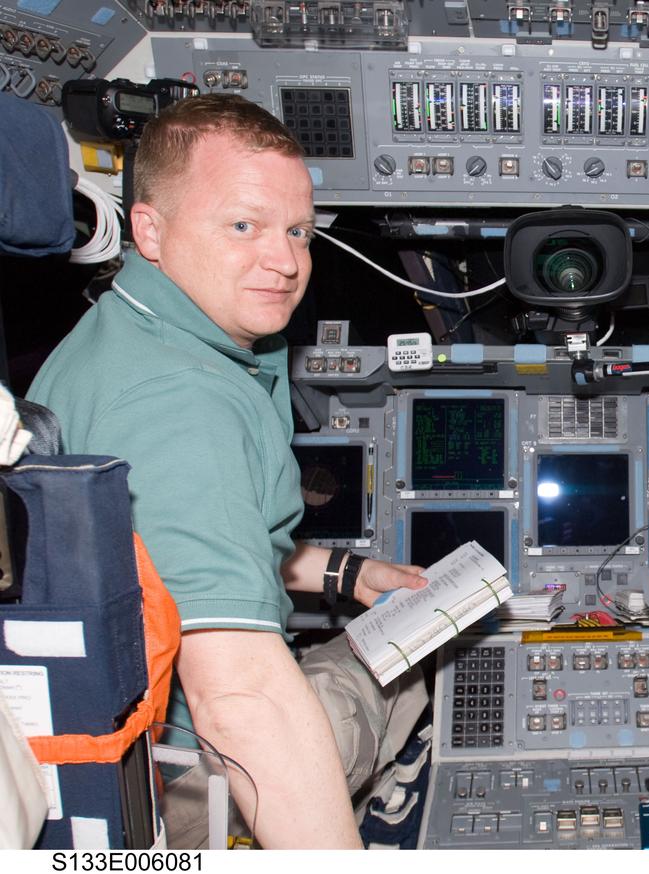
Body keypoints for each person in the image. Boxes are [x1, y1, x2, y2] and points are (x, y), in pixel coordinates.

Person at [29, 94, 429, 849]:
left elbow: (190, 547)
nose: (284, 261)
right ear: (149, 229)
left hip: (110, 740)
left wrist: (354, 575)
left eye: (297, 231)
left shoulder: (130, 335)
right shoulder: (180, 399)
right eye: (243, 225)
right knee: (417, 652)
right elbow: (241, 699)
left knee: (382, 620)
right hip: (173, 772)